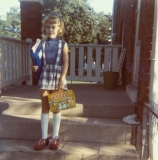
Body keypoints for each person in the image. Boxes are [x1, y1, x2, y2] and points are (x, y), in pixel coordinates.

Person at [31, 12, 69, 150]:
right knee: (45, 106)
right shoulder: (41, 44)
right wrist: (34, 67)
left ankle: (55, 137)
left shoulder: (63, 44)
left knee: (57, 107)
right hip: (45, 75)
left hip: (59, 77)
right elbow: (37, 61)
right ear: (44, 28)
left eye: (53, 26)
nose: (50, 29)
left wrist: (62, 79)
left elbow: (65, 63)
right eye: (48, 27)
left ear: (59, 29)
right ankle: (43, 137)